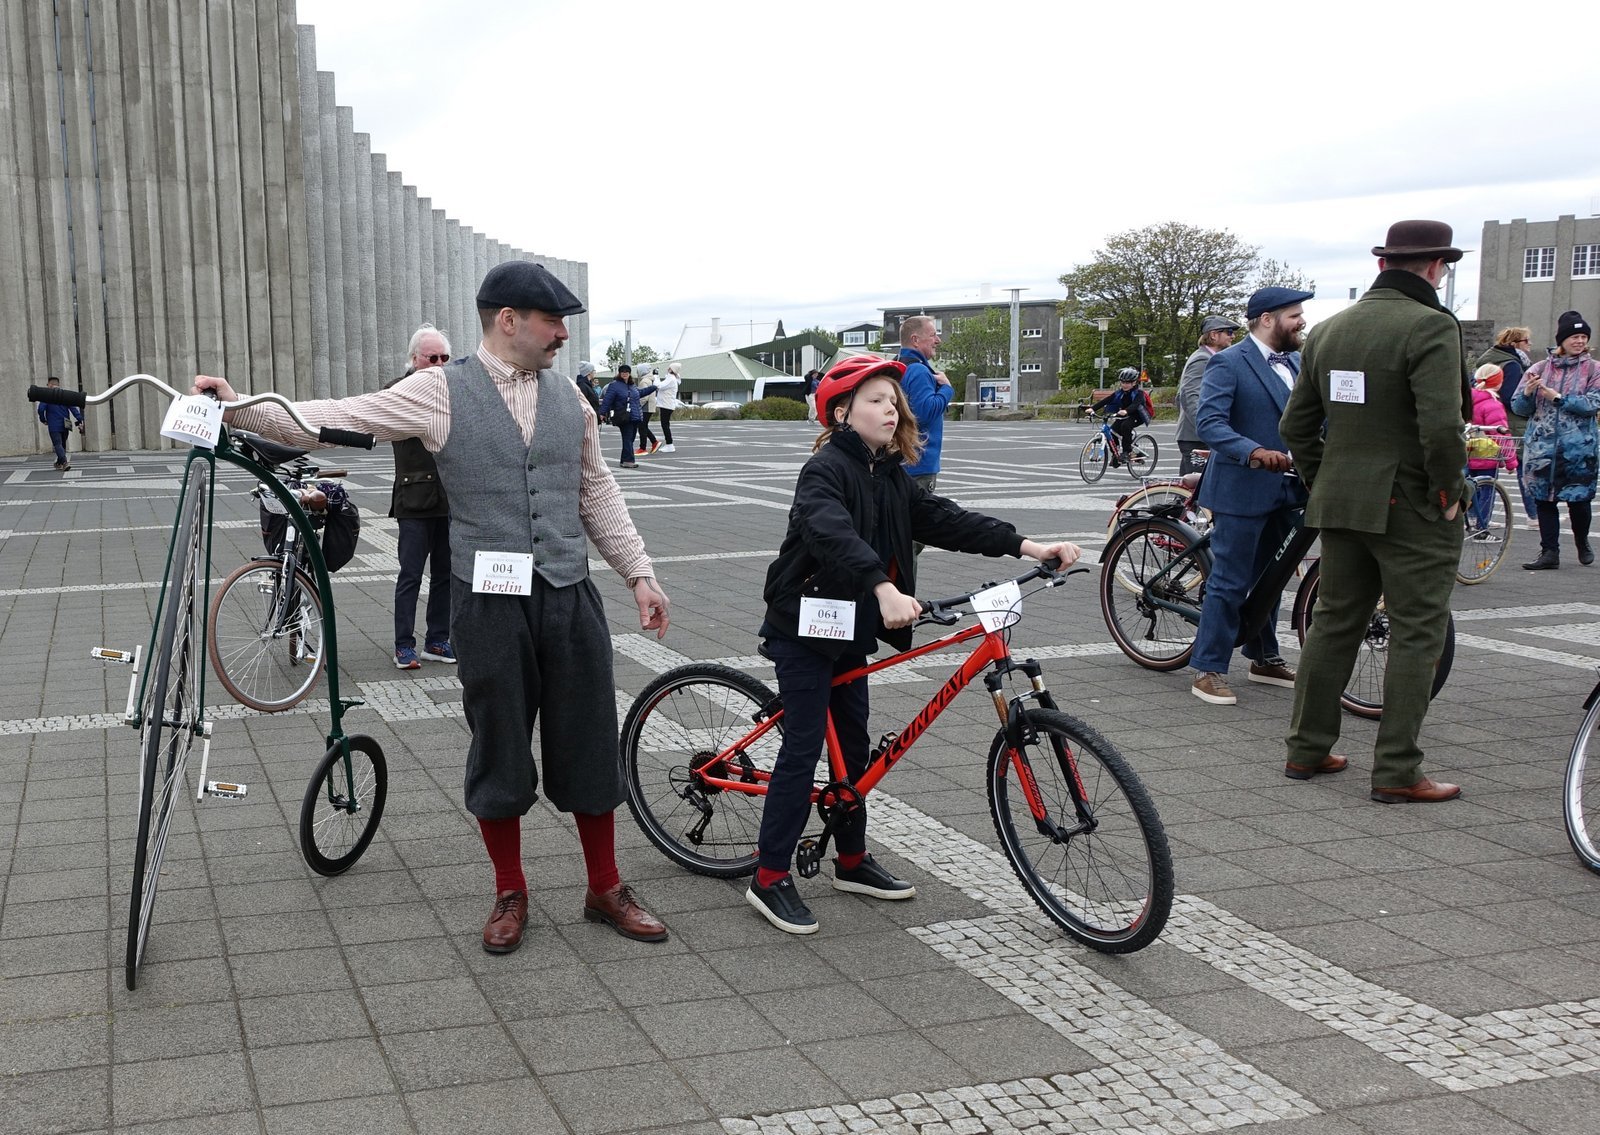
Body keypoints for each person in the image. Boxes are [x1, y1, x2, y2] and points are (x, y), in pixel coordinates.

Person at [194, 260, 674, 950]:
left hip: (569, 596)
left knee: (590, 741)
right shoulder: (440, 391)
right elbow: (336, 418)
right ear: (508, 320)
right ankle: (510, 890)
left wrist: (639, 573)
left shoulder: (572, 398)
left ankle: (605, 886)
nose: (563, 333)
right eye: (552, 321)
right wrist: (239, 406)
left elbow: (595, 489)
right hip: (490, 602)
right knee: (499, 745)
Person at [746, 355, 1080, 934]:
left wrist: (1029, 545)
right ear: (842, 412)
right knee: (802, 748)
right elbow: (829, 531)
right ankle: (769, 875)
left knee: (853, 749)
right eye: (876, 400)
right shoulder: (824, 469)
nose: (891, 410)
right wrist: (883, 587)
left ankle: (851, 860)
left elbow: (946, 519)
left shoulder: (889, 473)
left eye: (894, 401)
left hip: (848, 626)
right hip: (804, 624)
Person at [1280, 219, 1471, 803]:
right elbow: (1442, 428)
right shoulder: (1430, 325)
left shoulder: (1330, 330)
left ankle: (1306, 748)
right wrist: (1449, 493)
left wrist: (1324, 479)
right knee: (1417, 632)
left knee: (1335, 622)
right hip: (1412, 507)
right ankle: (1397, 769)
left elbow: (1296, 426)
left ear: (1383, 264)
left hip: (1341, 502)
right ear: (1436, 267)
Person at [1188, 288, 1313, 706]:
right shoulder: (1228, 362)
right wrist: (1253, 451)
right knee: (1230, 579)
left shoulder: (1297, 362)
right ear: (1266, 319)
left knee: (1273, 575)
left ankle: (1264, 657)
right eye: (1294, 315)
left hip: (1290, 486)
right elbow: (1210, 422)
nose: (1301, 321)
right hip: (1242, 486)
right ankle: (1208, 668)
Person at [385, 325, 455, 670]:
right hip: (413, 500)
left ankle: (437, 640)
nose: (439, 364)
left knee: (446, 575)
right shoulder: (397, 390)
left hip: (448, 499)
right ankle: (404, 644)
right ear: (415, 359)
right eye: (432, 357)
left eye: (444, 357)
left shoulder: (453, 390)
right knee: (410, 575)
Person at [1513, 310, 1600, 570]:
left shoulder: (1594, 369)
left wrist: (1559, 398)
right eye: (1574, 336)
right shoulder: (1538, 368)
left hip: (1579, 451)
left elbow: (1592, 404)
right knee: (1543, 500)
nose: (1580, 341)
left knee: (1579, 501)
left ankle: (1582, 541)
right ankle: (1549, 552)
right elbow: (1518, 407)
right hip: (1542, 449)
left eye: (1583, 337)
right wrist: (1527, 394)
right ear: (1561, 339)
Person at [1477, 326, 1536, 518]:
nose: (1529, 344)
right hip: (1511, 422)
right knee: (1524, 468)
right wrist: (1530, 399)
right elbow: (1512, 398)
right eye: (1526, 341)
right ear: (1514, 344)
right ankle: (1534, 515)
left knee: (1482, 471)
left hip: (1485, 422)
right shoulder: (1513, 365)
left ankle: (1479, 516)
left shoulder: (1488, 360)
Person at [898, 315, 955, 495]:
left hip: (902, 460)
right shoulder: (918, 370)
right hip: (919, 464)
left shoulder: (899, 366)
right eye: (933, 335)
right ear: (915, 340)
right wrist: (946, 389)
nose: (937, 340)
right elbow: (924, 413)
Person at [1176, 316, 1239, 475]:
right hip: (1197, 438)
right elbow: (1189, 396)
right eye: (1229, 332)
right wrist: (1207, 427)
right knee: (1200, 485)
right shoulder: (1202, 359)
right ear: (1213, 335)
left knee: (1188, 485)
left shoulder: (1208, 357)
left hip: (1195, 436)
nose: (1233, 336)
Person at [1466, 363, 1516, 530]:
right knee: (1487, 491)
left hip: (1468, 452)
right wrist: (1511, 461)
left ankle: (1471, 518)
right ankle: (1482, 527)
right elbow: (1501, 435)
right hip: (1487, 455)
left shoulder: (1467, 401)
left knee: (1470, 488)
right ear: (1499, 382)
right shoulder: (1492, 404)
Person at [1090, 368, 1152, 465]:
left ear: (1134, 383)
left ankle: (1126, 452)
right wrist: (1093, 408)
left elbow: (1135, 405)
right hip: (1124, 415)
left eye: (1127, 383)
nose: (1124, 385)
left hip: (1137, 416)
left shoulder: (1139, 394)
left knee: (1125, 426)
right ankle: (1116, 454)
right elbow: (1107, 400)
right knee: (1112, 431)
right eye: (1123, 382)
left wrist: (1126, 411)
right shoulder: (1120, 392)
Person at [599, 365, 646, 470]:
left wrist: (654, 387)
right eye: (622, 372)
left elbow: (640, 393)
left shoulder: (632, 385)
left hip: (634, 417)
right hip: (623, 417)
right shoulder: (614, 385)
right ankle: (628, 461)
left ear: (629, 373)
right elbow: (607, 400)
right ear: (619, 373)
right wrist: (602, 413)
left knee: (630, 439)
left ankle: (624, 460)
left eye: (627, 372)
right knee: (628, 438)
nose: (625, 373)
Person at [38, 376, 84, 471]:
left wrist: (43, 419)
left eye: (47, 385)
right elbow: (73, 408)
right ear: (58, 384)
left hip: (54, 424)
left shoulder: (47, 395)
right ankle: (59, 463)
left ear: (50, 384)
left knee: (57, 444)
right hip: (66, 424)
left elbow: (41, 409)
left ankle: (64, 463)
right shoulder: (65, 395)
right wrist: (80, 419)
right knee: (62, 445)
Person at [655, 362, 681, 451]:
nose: (667, 369)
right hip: (667, 404)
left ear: (672, 369)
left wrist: (656, 376)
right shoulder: (671, 378)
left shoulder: (671, 379)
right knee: (665, 425)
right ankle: (669, 444)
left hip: (666, 405)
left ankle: (669, 444)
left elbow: (659, 386)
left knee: (665, 425)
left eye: (669, 368)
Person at [635, 365, 660, 455]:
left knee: (641, 427)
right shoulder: (649, 379)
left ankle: (643, 448)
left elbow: (644, 396)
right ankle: (654, 442)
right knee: (643, 426)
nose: (637, 373)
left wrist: (638, 405)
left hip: (645, 407)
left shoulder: (644, 381)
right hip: (650, 406)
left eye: (638, 371)